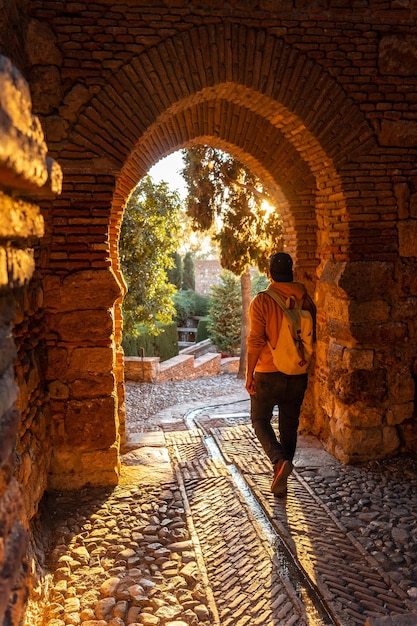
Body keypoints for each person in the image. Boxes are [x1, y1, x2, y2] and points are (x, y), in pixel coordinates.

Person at [245, 252, 316, 496]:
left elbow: (255, 341)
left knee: (259, 420)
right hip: (297, 371)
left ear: (270, 273)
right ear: (292, 272)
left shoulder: (262, 301)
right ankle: (282, 474)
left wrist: (249, 374)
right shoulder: (305, 298)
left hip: (268, 372)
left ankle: (278, 462)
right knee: (289, 424)